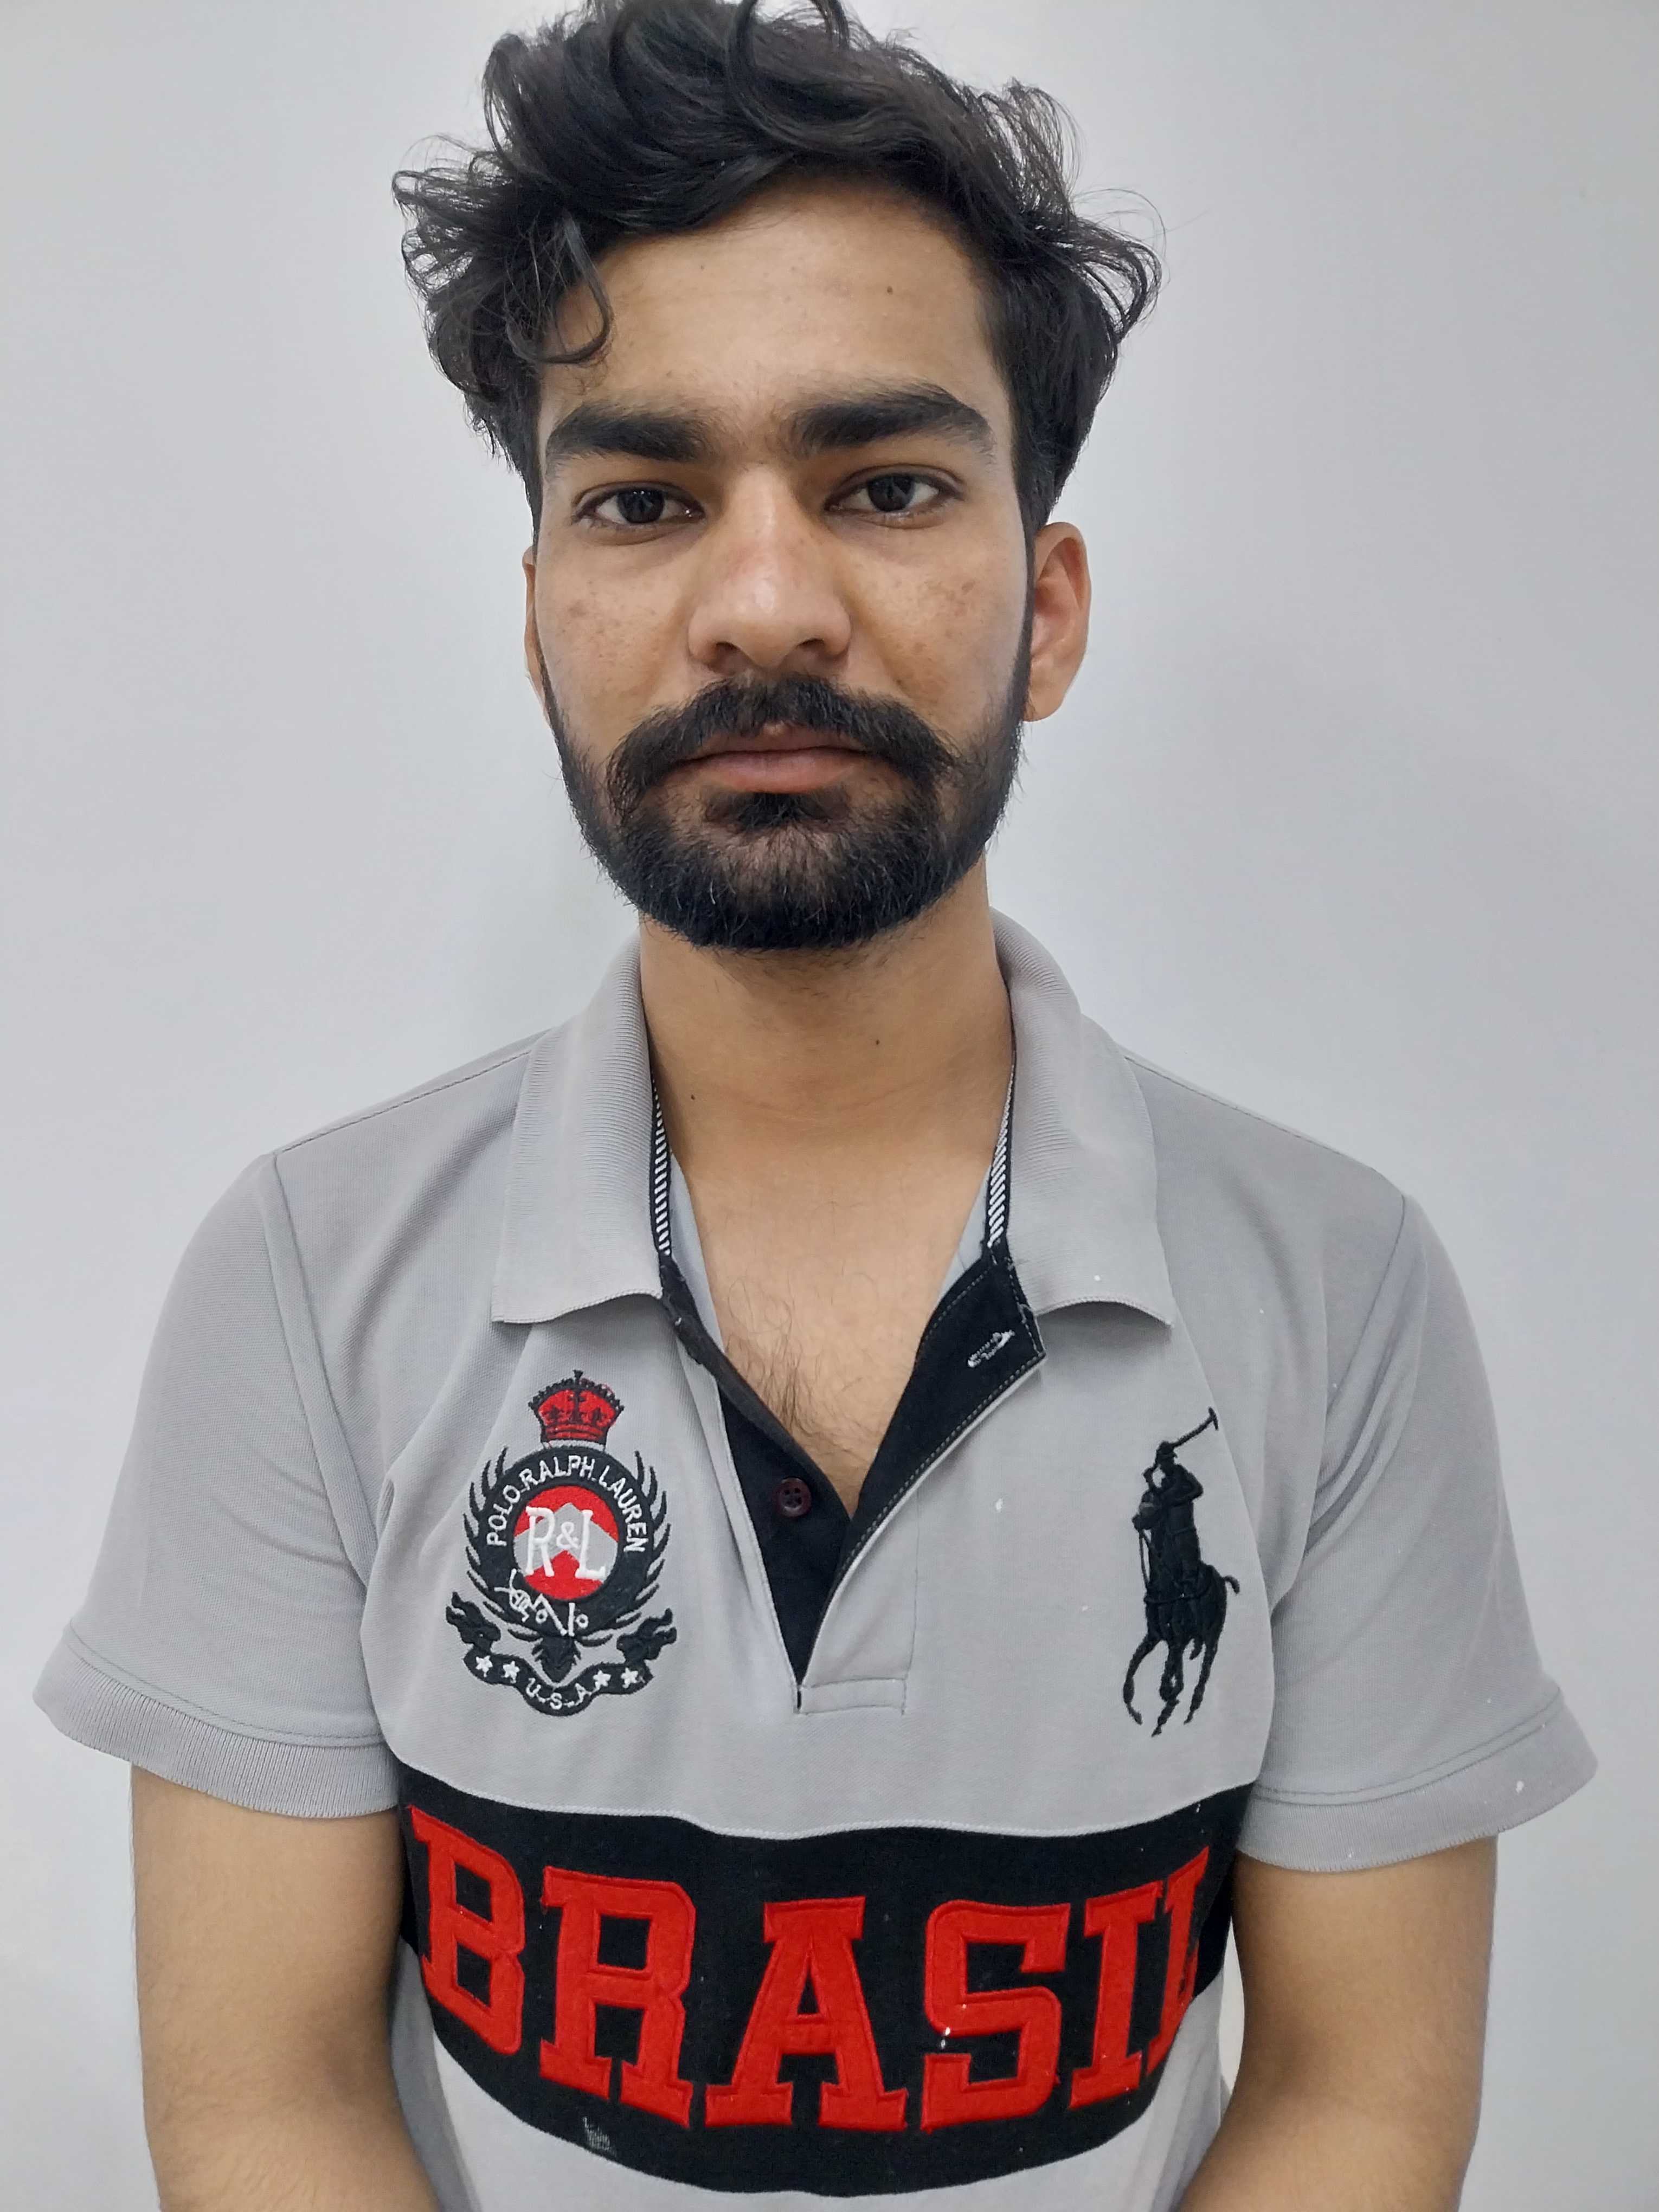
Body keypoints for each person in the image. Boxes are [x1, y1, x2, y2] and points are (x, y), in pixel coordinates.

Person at [36, 3, 1594, 2206]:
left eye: (885, 486)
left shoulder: (1337, 1293)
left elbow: (1357, 2095)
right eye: (646, 501)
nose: (765, 607)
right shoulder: (306, 1279)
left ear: (1048, 607)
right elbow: (267, 2101)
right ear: (543, 620)